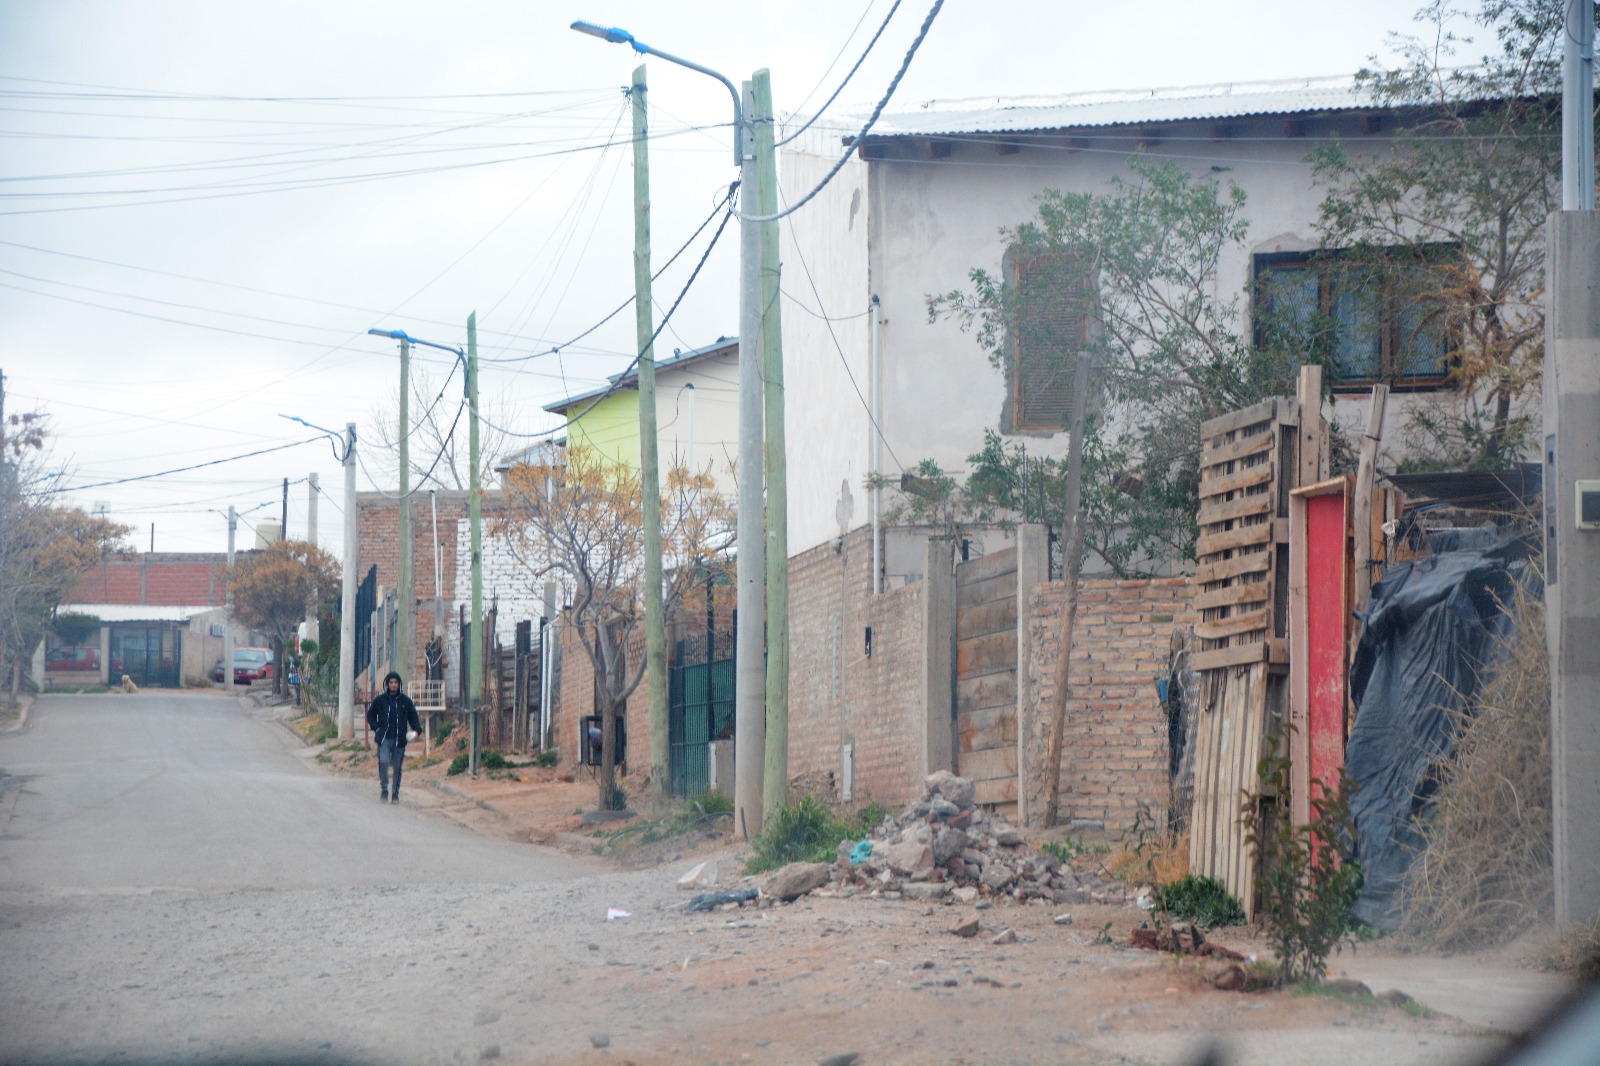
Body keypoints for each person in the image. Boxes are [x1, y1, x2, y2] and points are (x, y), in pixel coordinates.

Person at [366, 671, 421, 804]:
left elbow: (413, 717)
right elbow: (370, 715)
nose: (393, 685)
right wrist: (377, 728)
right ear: (387, 684)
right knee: (383, 762)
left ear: (399, 684)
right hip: (384, 739)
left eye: (396, 682)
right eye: (391, 682)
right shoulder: (380, 700)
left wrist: (417, 731)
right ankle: (384, 789)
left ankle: (395, 794)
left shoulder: (405, 701)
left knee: (397, 768)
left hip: (399, 740)